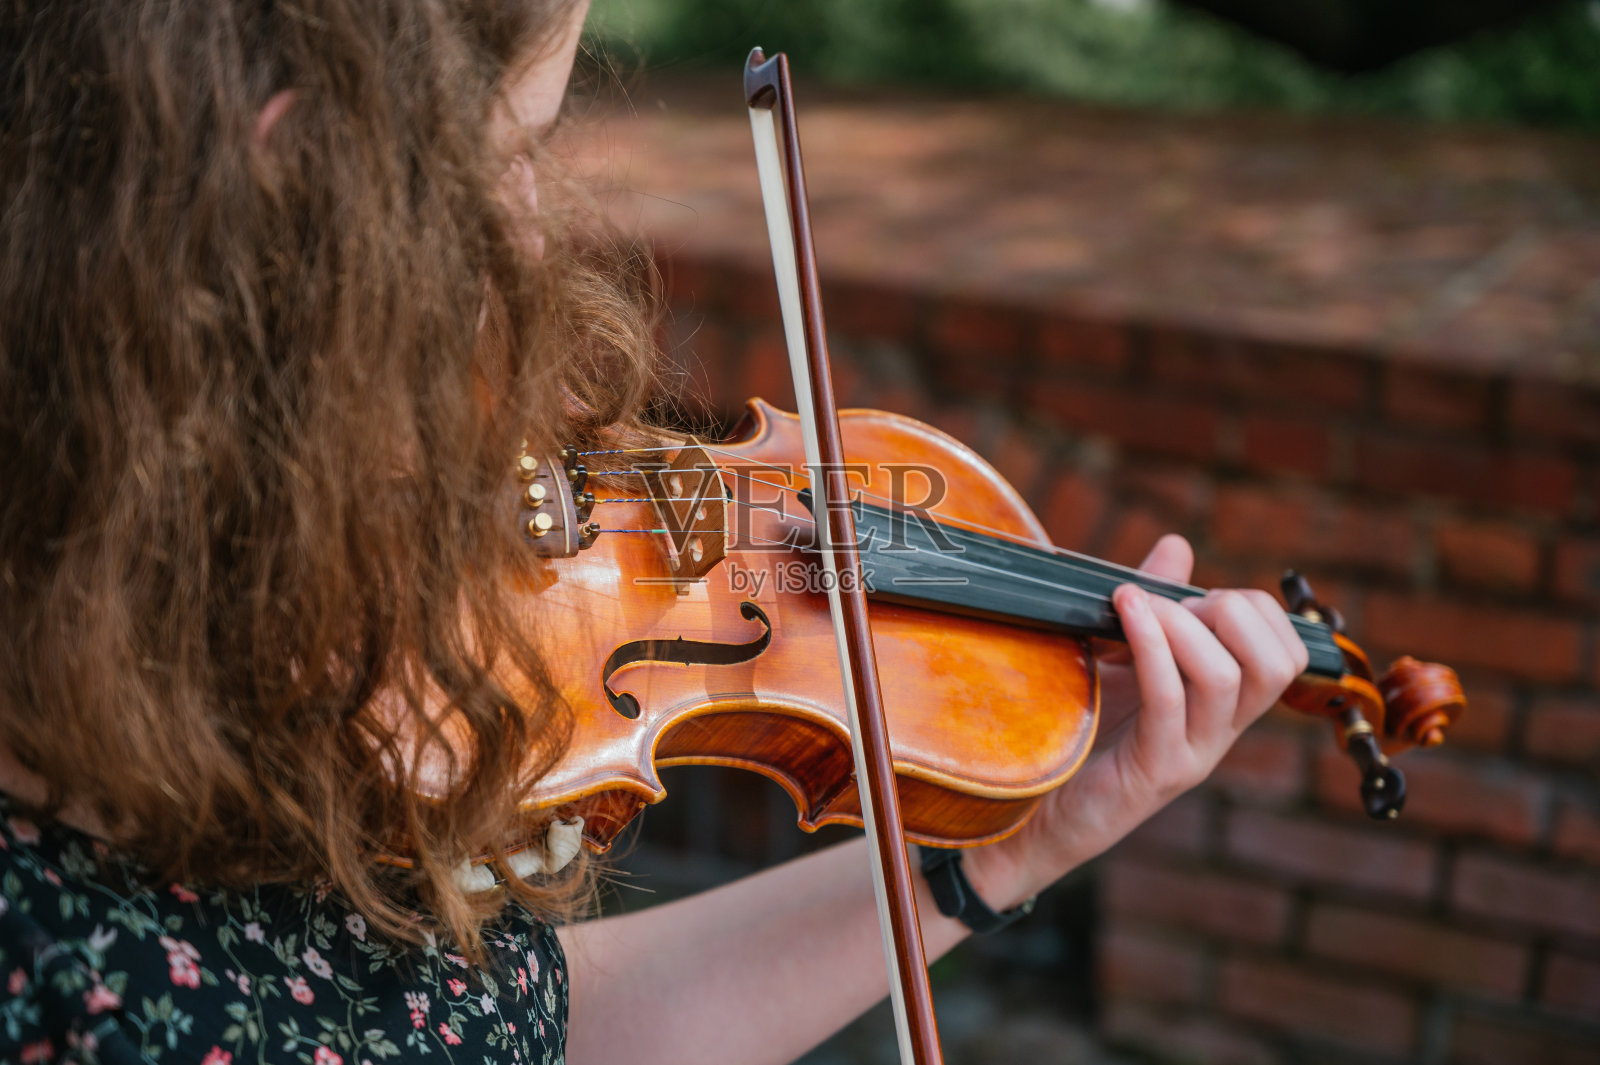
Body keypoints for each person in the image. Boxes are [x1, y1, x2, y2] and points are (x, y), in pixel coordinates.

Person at [0, 1, 1309, 1062]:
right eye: (516, 153)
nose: (531, 232)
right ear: (292, 175)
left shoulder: (248, 580)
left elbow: (506, 1024)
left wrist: (1016, 847)